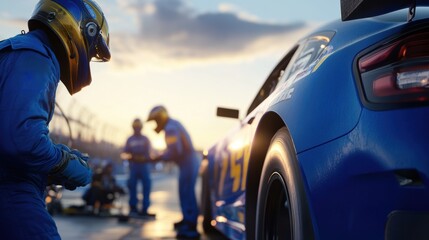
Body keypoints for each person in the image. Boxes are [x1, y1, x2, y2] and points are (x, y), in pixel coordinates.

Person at [0, 0, 110, 239]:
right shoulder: (36, 56)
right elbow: (20, 140)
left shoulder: (19, 51)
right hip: (9, 191)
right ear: (83, 31)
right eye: (92, 50)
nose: (88, 58)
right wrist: (62, 162)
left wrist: (53, 164)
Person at [147, 106, 202, 239]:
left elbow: (175, 151)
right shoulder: (172, 125)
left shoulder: (170, 128)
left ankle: (190, 227)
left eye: (155, 120)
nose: (155, 124)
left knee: (186, 192)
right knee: (185, 191)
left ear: (161, 118)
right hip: (187, 162)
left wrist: (158, 157)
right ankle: (187, 219)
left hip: (188, 161)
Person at [122, 118, 156, 218]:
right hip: (133, 166)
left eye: (138, 127)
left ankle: (145, 208)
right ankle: (133, 207)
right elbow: (124, 152)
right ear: (133, 128)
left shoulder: (145, 139)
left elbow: (150, 152)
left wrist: (145, 157)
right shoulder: (130, 139)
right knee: (132, 186)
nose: (137, 129)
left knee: (146, 186)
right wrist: (131, 156)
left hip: (144, 166)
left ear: (141, 128)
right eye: (135, 127)